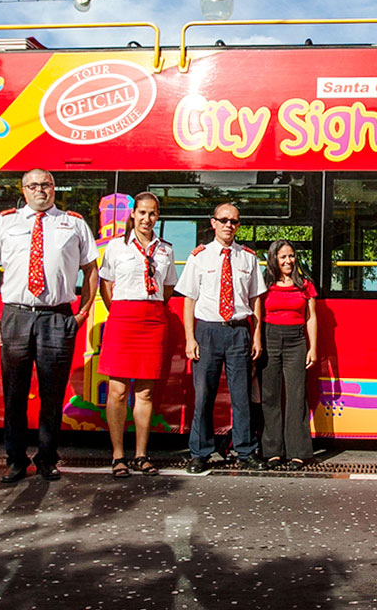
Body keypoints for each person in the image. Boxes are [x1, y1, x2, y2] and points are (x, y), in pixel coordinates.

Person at [0, 169, 98, 483]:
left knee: (52, 394)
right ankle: (15, 459)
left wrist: (82, 312)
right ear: (24, 189)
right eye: (33, 186)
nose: (40, 190)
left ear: (54, 188)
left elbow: (91, 269)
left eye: (45, 185)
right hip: (16, 315)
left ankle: (47, 457)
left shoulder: (73, 223)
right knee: (14, 393)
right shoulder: (6, 222)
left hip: (58, 317)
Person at [178, 202, 266, 473]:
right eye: (224, 220)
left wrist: (257, 336)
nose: (230, 225)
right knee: (204, 395)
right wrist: (190, 338)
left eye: (235, 221)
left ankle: (245, 451)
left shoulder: (248, 257)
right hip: (208, 331)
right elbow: (189, 301)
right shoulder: (199, 257)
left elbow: (255, 300)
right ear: (213, 223)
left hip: (239, 330)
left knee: (242, 397)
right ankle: (200, 452)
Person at [97, 191, 177, 478]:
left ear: (158, 216)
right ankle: (118, 455)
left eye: (152, 213)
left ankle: (141, 454)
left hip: (153, 321)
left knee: (145, 392)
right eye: (141, 213)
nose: (146, 218)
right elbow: (105, 285)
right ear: (132, 214)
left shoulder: (166, 249)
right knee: (118, 391)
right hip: (122, 319)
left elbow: (167, 288)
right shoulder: (116, 247)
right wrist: (119, 310)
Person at [257, 239, 318, 470]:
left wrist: (313, 348)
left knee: (296, 396)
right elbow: (257, 314)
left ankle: (298, 452)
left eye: (291, 256)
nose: (288, 261)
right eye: (283, 257)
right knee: (270, 396)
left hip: (297, 341)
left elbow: (311, 317)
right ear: (274, 259)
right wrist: (258, 341)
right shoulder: (264, 284)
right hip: (270, 338)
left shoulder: (305, 284)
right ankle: (272, 451)